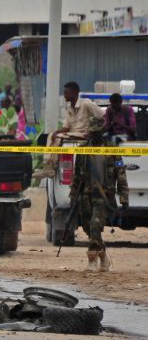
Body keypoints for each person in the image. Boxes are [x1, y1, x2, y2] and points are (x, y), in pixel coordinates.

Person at [69, 115, 128, 272]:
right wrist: (73, 195)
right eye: (92, 132)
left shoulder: (112, 151)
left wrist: (124, 197)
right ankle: (103, 256)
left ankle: (92, 260)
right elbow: (76, 176)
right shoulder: (83, 151)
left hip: (104, 196)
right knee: (89, 228)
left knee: (95, 225)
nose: (94, 135)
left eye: (97, 132)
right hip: (85, 196)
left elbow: (121, 174)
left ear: (102, 132)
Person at [39, 81, 105, 178]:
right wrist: (56, 132)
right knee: (52, 135)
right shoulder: (69, 109)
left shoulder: (86, 104)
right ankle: (48, 166)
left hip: (83, 135)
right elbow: (66, 128)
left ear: (75, 92)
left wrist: (94, 131)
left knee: (58, 137)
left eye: (66, 93)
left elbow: (103, 115)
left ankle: (49, 168)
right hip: (72, 135)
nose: (64, 95)